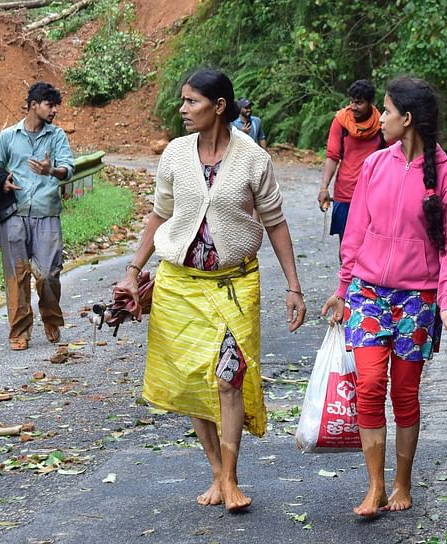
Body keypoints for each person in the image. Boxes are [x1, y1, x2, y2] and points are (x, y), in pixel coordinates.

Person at [115, 69, 305, 512]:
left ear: (219, 107)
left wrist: (294, 285)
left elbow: (275, 222)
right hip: (180, 284)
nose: (182, 110)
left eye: (192, 102)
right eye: (182, 101)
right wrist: (132, 271)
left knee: (227, 377)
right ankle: (217, 472)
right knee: (190, 378)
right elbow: (159, 215)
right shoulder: (176, 155)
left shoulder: (254, 159)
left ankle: (233, 478)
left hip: (234, 283)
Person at [320, 77, 447, 517]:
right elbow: (356, 232)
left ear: (406, 119)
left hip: (417, 300)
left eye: (385, 111)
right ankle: (375, 486)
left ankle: (402, 483)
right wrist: (343, 288)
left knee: (404, 394)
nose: (378, 118)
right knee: (368, 386)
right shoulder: (375, 166)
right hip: (368, 292)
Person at [0, 82, 76, 351]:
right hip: (13, 214)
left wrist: (52, 171)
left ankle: (51, 318)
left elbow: (68, 169)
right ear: (34, 105)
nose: (54, 111)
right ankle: (19, 330)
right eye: (50, 105)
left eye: (55, 106)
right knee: (16, 274)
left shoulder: (57, 136)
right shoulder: (7, 136)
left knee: (49, 273)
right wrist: (2, 183)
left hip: (46, 212)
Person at [318, 80, 386, 246]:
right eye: (352, 101)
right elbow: (332, 156)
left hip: (374, 193)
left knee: (372, 246)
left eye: (359, 102)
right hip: (346, 192)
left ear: (371, 103)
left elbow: (391, 157)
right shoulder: (341, 121)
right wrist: (324, 187)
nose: (353, 107)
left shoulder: (383, 124)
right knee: (347, 246)